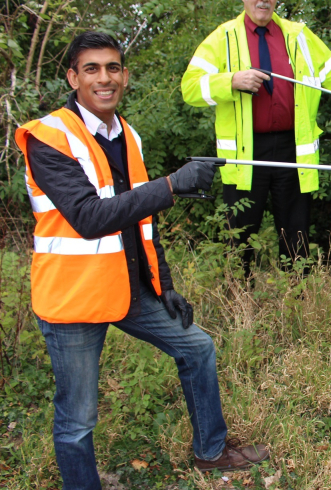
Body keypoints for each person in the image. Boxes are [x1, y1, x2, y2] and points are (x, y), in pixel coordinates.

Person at [15, 32, 269, 490]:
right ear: (73, 77)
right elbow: (90, 217)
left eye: (112, 67)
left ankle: (211, 451)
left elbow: (141, 220)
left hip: (128, 286)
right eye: (91, 69)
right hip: (72, 298)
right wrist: (173, 184)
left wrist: (164, 284)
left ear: (125, 75)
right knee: (78, 416)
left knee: (197, 347)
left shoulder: (126, 134)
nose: (104, 78)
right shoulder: (47, 136)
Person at [182, 0, 331, 271]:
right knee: (239, 238)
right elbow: (189, 88)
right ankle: (241, 305)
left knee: (295, 237)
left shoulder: (298, 36)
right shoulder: (222, 38)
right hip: (245, 156)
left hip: (292, 149)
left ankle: (296, 304)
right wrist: (231, 81)